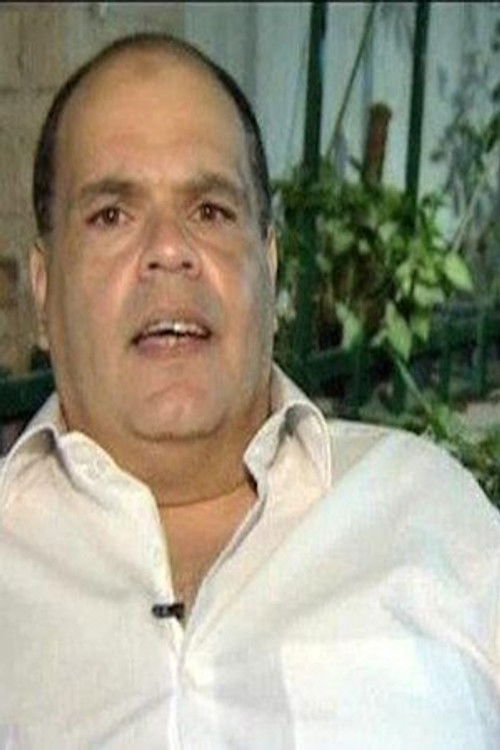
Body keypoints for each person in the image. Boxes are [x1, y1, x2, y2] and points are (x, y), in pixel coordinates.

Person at [0, 32, 499, 749]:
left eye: (210, 211)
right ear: (44, 289)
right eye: (112, 214)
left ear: (269, 266)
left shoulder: (429, 513)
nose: (168, 249)